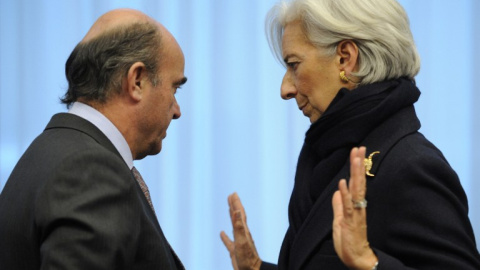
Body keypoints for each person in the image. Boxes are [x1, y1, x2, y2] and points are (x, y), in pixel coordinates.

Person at [221, 0, 480, 269]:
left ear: (345, 57)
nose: (285, 89)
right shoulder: (327, 154)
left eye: (294, 65)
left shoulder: (411, 165)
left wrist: (370, 263)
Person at [0, 9, 187, 270]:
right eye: (174, 88)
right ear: (137, 81)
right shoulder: (91, 170)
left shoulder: (50, 150)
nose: (177, 110)